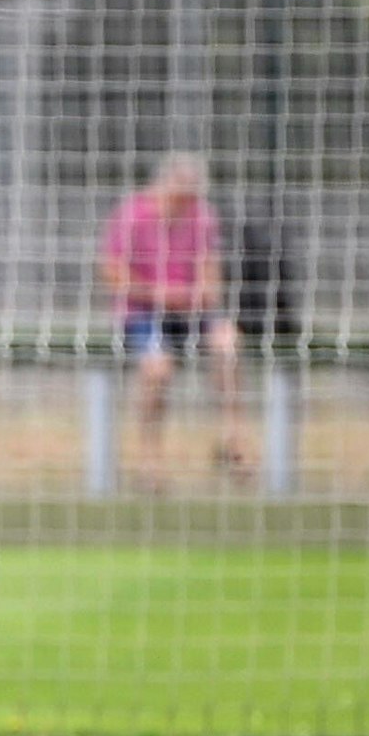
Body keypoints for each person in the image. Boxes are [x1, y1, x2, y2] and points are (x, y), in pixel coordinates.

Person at [100, 153, 245, 486]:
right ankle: (150, 461)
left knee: (228, 343)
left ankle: (232, 438)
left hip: (192, 311)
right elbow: (112, 274)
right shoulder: (132, 216)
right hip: (142, 312)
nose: (186, 203)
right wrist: (158, 293)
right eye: (181, 196)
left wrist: (198, 295)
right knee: (157, 367)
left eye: (191, 196)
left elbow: (212, 275)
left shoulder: (203, 217)